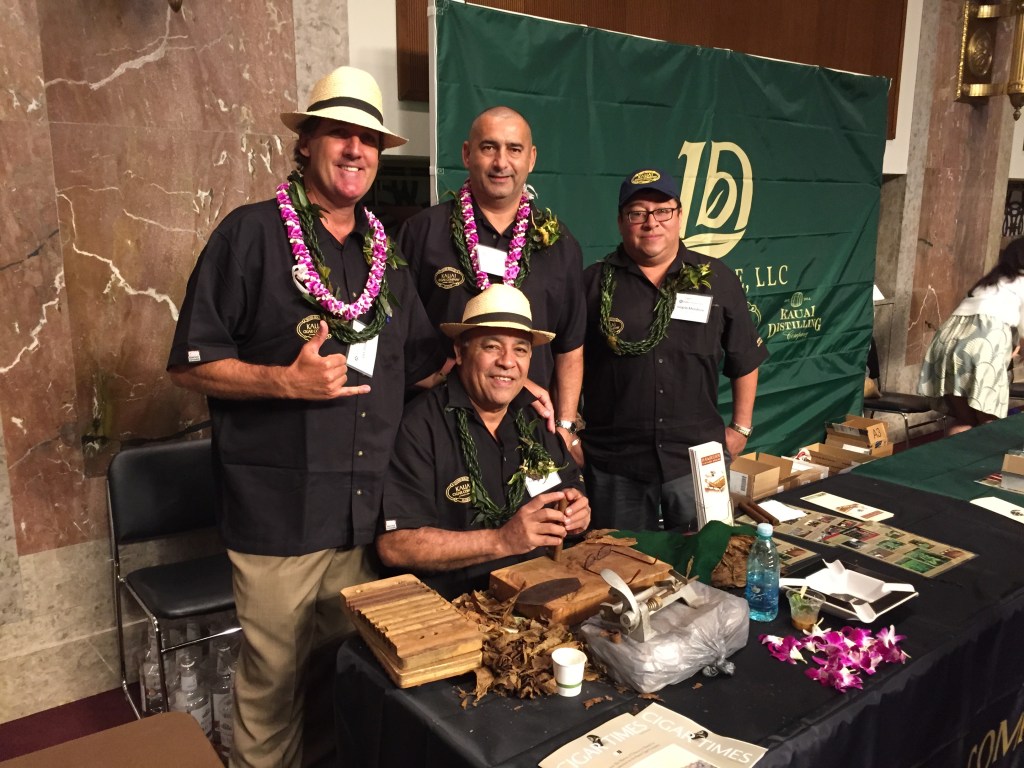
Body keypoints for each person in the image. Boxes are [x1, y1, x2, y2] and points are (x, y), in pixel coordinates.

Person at [166, 66, 445, 768]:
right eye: (340, 134)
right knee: (273, 689)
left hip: (363, 516)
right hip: (279, 517)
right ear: (305, 144)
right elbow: (189, 364)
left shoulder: (388, 256)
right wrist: (284, 382)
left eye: (369, 140)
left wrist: (513, 381)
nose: (356, 150)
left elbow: (420, 365)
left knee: (340, 678)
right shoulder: (251, 234)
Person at [579, 167, 768, 532]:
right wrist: (569, 429)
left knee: (708, 556)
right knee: (619, 561)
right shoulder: (592, 283)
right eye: (637, 213)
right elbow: (566, 360)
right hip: (616, 463)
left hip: (699, 458)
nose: (651, 222)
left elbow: (745, 356)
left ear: (679, 216)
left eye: (662, 211)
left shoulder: (717, 278)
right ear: (620, 221)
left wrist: (741, 429)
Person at [376, 284, 591, 598]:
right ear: (460, 352)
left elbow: (571, 490)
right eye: (492, 346)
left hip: (538, 593)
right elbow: (394, 546)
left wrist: (577, 514)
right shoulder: (418, 425)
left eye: (520, 349)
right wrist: (502, 540)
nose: (507, 361)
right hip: (452, 605)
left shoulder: (536, 419)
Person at [397, 106, 586, 463]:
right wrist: (462, 375)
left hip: (532, 434)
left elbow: (570, 346)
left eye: (514, 149)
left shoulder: (560, 245)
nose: (501, 162)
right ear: (467, 154)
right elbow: (395, 332)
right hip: (437, 434)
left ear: (531, 158)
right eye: (489, 147)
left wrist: (565, 426)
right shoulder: (423, 233)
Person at [918, 237, 1024, 434]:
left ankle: (949, 454)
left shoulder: (989, 282)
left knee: (965, 420)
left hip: (945, 344)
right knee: (989, 423)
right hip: (982, 345)